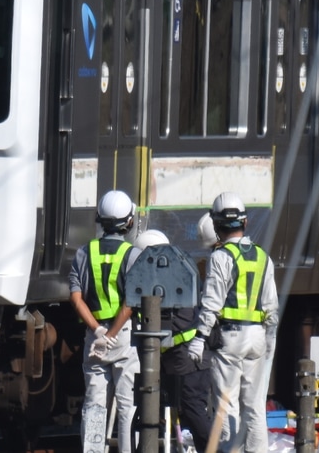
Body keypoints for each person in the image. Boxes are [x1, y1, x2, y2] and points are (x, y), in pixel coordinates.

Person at [186, 193, 279, 453]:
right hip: (257, 337)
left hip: (229, 338)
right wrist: (269, 341)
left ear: (216, 226)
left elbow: (212, 304)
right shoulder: (263, 257)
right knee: (254, 405)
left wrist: (199, 339)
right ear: (245, 222)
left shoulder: (220, 257)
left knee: (226, 405)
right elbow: (272, 306)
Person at [69, 189, 143, 453]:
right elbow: (131, 302)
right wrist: (111, 333)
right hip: (123, 336)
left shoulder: (83, 254)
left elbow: (76, 298)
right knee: (127, 407)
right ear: (129, 222)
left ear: (98, 219)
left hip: (95, 337)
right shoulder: (133, 255)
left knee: (95, 405)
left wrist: (98, 330)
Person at [134, 227, 214, 453]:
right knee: (188, 409)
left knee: (193, 408)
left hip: (188, 358)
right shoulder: (173, 271)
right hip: (180, 357)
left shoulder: (167, 281)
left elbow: (169, 323)